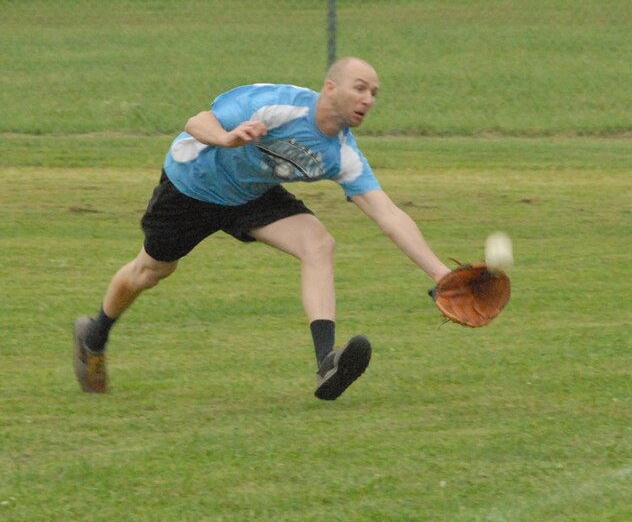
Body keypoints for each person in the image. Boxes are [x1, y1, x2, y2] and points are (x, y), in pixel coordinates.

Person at [74, 57, 451, 401]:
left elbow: (388, 215)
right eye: (359, 87)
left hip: (250, 196)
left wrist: (442, 275)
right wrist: (227, 137)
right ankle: (94, 337)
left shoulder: (343, 155)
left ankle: (327, 364)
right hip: (192, 184)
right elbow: (197, 122)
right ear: (331, 88)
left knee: (318, 244)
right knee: (151, 271)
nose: (368, 98)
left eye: (374, 93)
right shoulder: (278, 104)